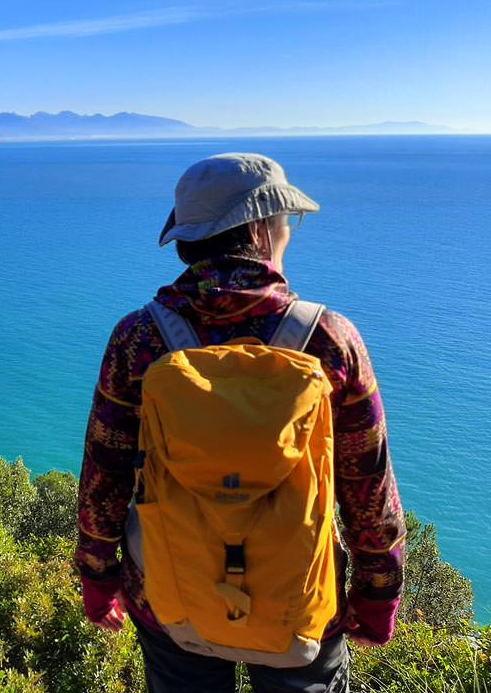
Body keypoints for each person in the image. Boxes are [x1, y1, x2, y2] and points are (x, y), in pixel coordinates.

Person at [75, 153, 406, 692]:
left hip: (167, 593)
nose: (287, 234)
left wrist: (98, 574)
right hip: (300, 600)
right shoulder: (329, 339)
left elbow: (104, 471)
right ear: (258, 228)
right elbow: (367, 483)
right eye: (284, 221)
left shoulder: (138, 338)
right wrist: (378, 591)